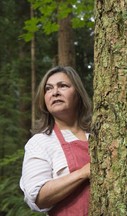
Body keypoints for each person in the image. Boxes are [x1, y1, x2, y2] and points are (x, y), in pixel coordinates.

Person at [20, 66, 92, 215]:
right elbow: (39, 197)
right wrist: (83, 173)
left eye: (63, 86)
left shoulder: (98, 135)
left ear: (78, 94)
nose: (55, 92)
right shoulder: (40, 142)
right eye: (48, 88)